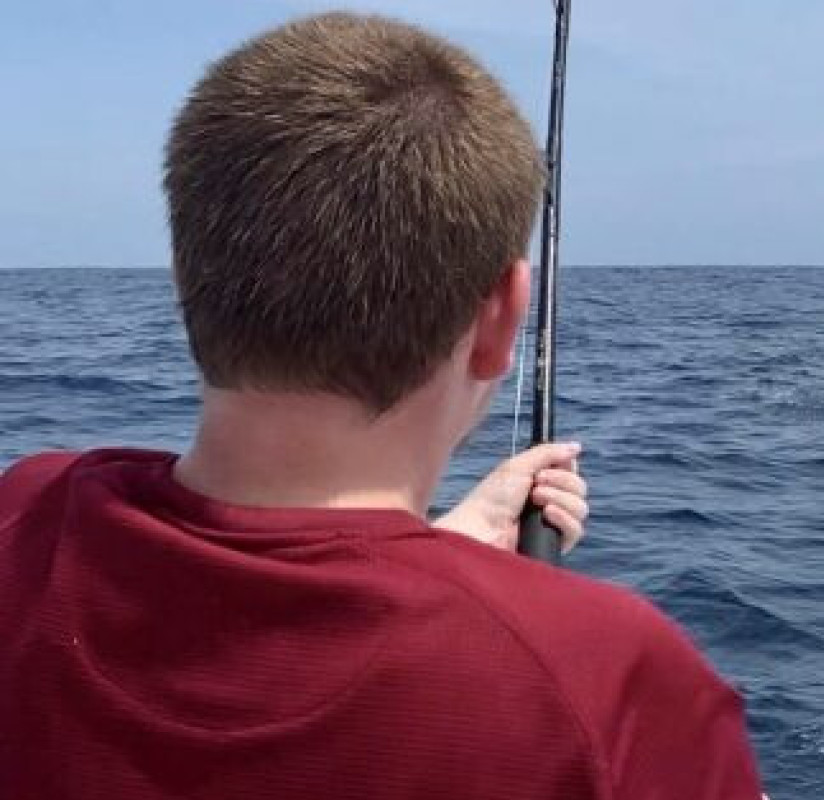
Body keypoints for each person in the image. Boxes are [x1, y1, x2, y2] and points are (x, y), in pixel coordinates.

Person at [0, 11, 764, 800]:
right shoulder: (618, 682)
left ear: (187, 277)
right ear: (503, 317)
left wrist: (452, 545)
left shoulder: (24, 513)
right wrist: (469, 585)